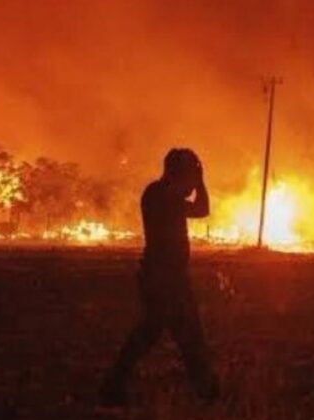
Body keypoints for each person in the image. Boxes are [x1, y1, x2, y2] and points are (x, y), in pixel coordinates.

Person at [99, 148, 219, 406]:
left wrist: (197, 180)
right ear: (177, 173)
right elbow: (201, 208)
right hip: (162, 278)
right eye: (188, 175)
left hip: (171, 277)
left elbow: (201, 209)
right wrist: (199, 181)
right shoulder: (159, 194)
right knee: (157, 333)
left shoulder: (163, 193)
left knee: (184, 334)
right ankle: (112, 386)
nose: (190, 184)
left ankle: (206, 389)